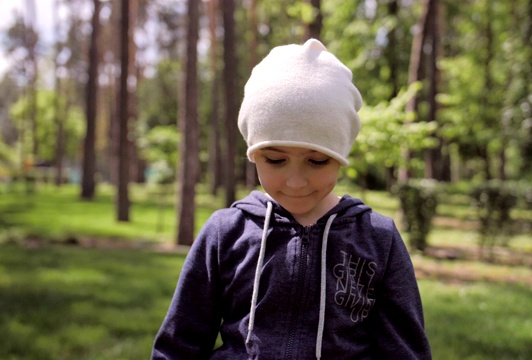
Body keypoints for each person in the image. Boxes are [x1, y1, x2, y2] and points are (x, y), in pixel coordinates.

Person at [151, 38, 432, 360]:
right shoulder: (225, 232)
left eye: (317, 161)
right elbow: (178, 345)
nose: (295, 181)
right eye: (275, 160)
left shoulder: (378, 239)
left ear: (340, 157)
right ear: (254, 154)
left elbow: (406, 351)